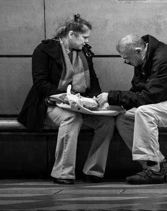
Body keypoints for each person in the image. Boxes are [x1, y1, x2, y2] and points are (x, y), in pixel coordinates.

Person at [17, 14, 114, 184]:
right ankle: (63, 172)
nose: (86, 41)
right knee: (71, 118)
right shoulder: (44, 50)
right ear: (71, 35)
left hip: (79, 103)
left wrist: (95, 99)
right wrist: (64, 97)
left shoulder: (84, 52)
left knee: (106, 122)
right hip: (48, 103)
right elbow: (40, 82)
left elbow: (93, 81)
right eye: (84, 37)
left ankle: (93, 171)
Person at [96, 34, 167, 184]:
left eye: (127, 58)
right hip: (164, 102)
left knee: (144, 112)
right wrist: (115, 103)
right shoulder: (143, 59)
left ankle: (154, 170)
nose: (126, 61)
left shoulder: (165, 59)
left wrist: (113, 96)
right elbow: (138, 91)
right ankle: (160, 164)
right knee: (124, 118)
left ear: (139, 50)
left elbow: (148, 98)